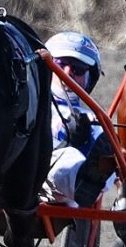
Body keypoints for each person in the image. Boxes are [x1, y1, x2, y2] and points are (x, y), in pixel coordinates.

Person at [42, 30, 116, 207]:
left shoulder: (90, 117)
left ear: (89, 77)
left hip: (50, 183)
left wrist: (82, 143)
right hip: (11, 168)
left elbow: (109, 178)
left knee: (71, 157)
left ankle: (84, 181)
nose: (68, 72)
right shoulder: (26, 101)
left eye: (78, 69)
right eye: (60, 64)